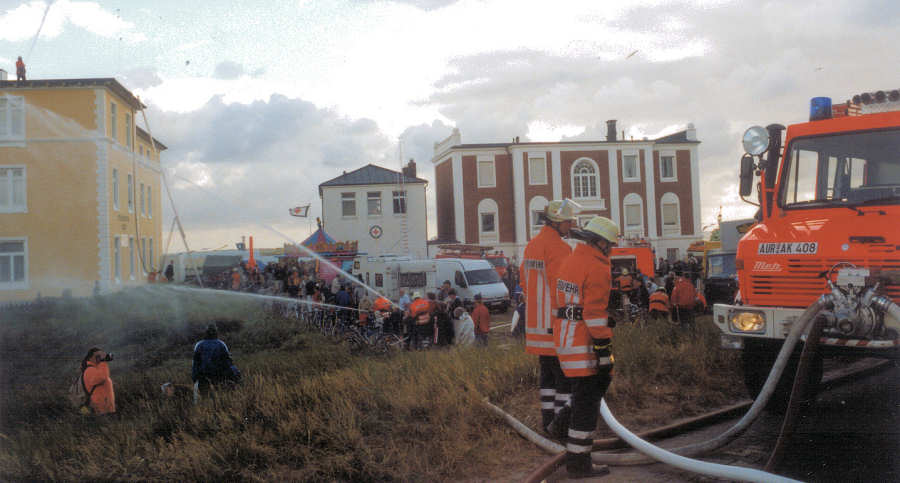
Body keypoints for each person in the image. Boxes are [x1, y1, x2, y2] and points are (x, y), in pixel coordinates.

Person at [553, 216, 619, 479]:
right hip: (583, 341)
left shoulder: (572, 259)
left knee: (584, 395)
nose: (611, 249)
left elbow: (573, 303)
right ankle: (579, 465)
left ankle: (560, 427)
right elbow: (592, 313)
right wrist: (605, 353)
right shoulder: (598, 266)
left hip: (565, 337)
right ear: (601, 242)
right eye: (610, 244)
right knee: (588, 401)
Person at [520, 198, 579, 433]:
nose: (570, 225)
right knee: (564, 378)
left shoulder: (532, 245)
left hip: (536, 325)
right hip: (555, 324)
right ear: (556, 222)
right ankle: (560, 426)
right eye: (568, 221)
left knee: (547, 378)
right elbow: (563, 286)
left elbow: (525, 282)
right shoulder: (560, 248)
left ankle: (547, 422)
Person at [192, 323, 240, 399]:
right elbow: (228, 362)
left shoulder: (199, 345)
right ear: (216, 333)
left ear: (206, 333)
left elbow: (195, 364)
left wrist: (195, 378)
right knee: (220, 398)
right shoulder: (221, 344)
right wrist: (235, 375)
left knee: (205, 400)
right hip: (219, 376)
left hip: (203, 377)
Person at [81, 347, 116, 414]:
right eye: (98, 356)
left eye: (101, 355)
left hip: (106, 408)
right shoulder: (89, 370)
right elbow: (102, 378)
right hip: (100, 409)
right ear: (90, 358)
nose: (100, 358)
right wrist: (103, 362)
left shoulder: (97, 369)